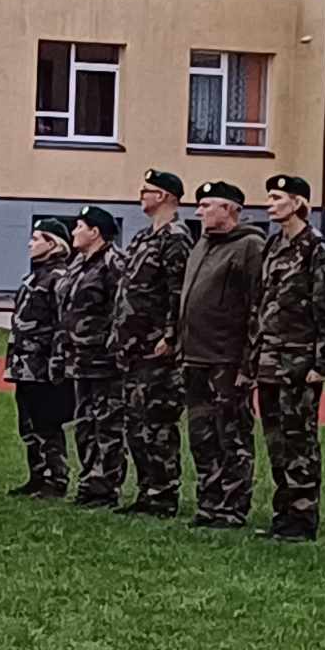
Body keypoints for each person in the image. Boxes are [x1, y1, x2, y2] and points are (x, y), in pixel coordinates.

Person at [251, 174, 325, 542]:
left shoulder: (316, 248)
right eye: (269, 197)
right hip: (270, 359)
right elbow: (262, 302)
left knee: (299, 439)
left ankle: (303, 516)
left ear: (298, 203)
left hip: (299, 361)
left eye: (277, 197)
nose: (270, 204)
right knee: (276, 440)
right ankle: (284, 512)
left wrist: (323, 363)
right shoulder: (273, 244)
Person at [177, 180, 265, 529]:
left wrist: (248, 361)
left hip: (226, 359)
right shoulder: (202, 244)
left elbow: (257, 306)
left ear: (229, 209)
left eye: (207, 205)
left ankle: (232, 506)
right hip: (195, 356)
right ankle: (209, 501)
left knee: (231, 434)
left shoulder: (249, 246)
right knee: (201, 435)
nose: (199, 211)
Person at [112, 169, 193, 516]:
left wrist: (170, 335)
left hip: (157, 347)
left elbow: (178, 292)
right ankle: (146, 490)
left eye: (147, 190)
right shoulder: (144, 237)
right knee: (136, 423)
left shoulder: (175, 238)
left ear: (164, 196)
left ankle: (163, 493)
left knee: (158, 423)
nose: (141, 194)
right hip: (134, 346)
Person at [57, 205, 124, 507]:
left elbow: (122, 309)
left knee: (107, 425)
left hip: (104, 360)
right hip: (79, 358)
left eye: (79, 226)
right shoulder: (78, 264)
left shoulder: (114, 263)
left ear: (95, 232)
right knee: (85, 423)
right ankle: (89, 482)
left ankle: (105, 486)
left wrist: (114, 346)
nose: (74, 232)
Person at [4, 217, 75, 498]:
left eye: (36, 239)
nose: (30, 244)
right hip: (25, 364)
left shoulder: (59, 278)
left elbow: (62, 324)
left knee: (47, 422)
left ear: (53, 243)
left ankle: (55, 478)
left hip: (44, 364)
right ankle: (37, 474)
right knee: (29, 424)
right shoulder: (35, 276)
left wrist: (58, 363)